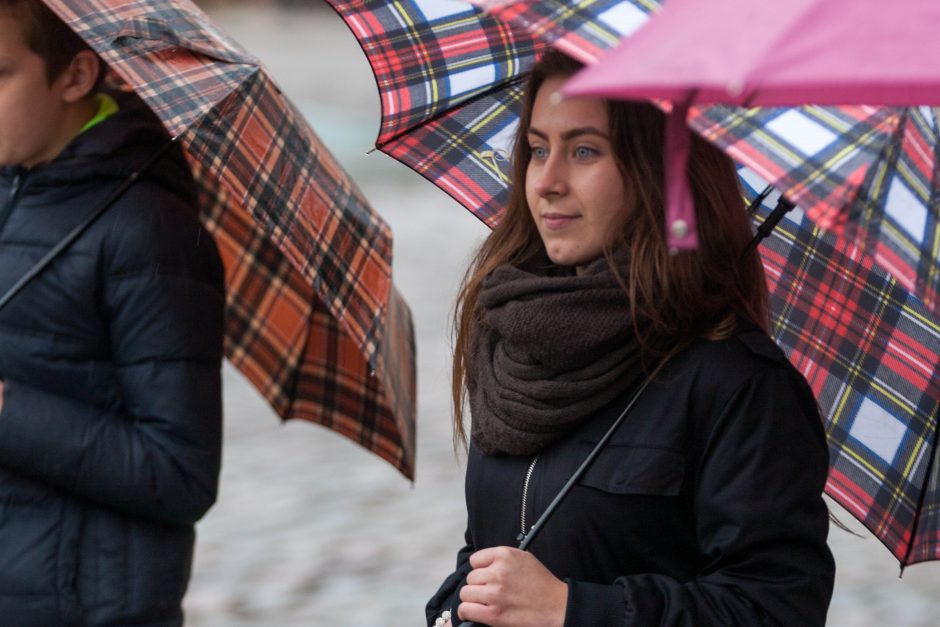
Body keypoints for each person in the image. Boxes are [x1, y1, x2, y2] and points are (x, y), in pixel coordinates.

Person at [426, 50, 835, 627]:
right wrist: (457, 604)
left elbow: (773, 608)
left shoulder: (737, 384)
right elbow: (492, 551)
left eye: (585, 150)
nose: (546, 182)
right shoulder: (511, 339)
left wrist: (574, 609)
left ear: (658, 173)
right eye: (538, 149)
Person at [0, 1, 225, 624]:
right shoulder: (13, 180)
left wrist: (7, 411)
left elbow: (181, 473)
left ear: (75, 77)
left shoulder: (147, 228)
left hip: (83, 605)